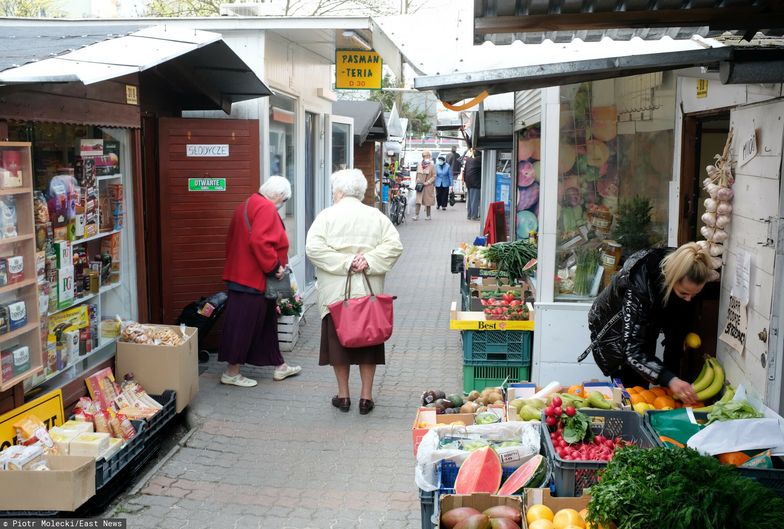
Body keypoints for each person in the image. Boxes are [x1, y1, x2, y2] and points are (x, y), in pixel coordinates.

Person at [306, 169, 403, 415]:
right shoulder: (376, 216)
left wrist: (345, 262)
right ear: (360, 191)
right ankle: (366, 397)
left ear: (338, 191)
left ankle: (343, 395)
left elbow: (313, 248)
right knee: (369, 343)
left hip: (336, 293)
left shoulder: (327, 216)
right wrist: (368, 260)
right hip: (368, 292)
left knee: (339, 345)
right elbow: (394, 246)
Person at [582, 242, 712, 403]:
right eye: (684, 293)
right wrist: (669, 379)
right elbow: (632, 349)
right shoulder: (639, 283)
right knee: (630, 393)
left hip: (646, 324)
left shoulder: (687, 269)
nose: (688, 299)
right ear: (671, 279)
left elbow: (676, 331)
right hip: (613, 333)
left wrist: (672, 377)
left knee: (649, 388)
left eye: (694, 295)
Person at [219, 176, 302, 387]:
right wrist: (274, 267)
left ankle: (279, 366)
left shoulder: (247, 204)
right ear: (279, 195)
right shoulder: (265, 208)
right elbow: (259, 241)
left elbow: (234, 240)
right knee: (243, 325)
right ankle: (232, 372)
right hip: (254, 279)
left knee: (267, 323)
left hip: (244, 276)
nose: (282, 204)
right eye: (284, 199)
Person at [413, 150, 436, 220]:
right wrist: (416, 181)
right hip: (420, 186)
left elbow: (434, 176)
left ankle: (428, 216)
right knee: (418, 201)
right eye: (426, 156)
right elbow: (417, 174)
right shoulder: (419, 164)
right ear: (423, 157)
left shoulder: (432, 165)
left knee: (428, 201)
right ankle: (416, 215)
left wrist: (428, 182)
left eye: (428, 156)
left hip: (428, 186)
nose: (428, 157)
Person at [464, 148, 482, 220]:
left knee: (470, 200)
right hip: (475, 182)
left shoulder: (468, 160)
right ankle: (474, 216)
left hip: (468, 182)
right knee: (474, 200)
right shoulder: (479, 160)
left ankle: (469, 215)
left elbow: (464, 171)